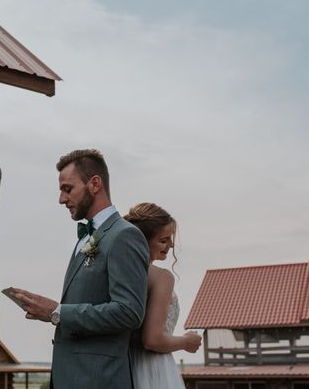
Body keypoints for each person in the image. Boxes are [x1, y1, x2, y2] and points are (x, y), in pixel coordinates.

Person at [12, 149, 150, 389]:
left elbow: (129, 312)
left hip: (99, 379)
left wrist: (57, 313)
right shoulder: (85, 238)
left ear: (94, 184)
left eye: (68, 189)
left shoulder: (124, 235)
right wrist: (50, 311)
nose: (61, 199)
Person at [125, 202, 202, 389]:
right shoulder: (161, 277)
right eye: (164, 240)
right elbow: (152, 340)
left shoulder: (121, 273)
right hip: (153, 368)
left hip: (124, 366)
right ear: (143, 240)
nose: (171, 245)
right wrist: (186, 342)